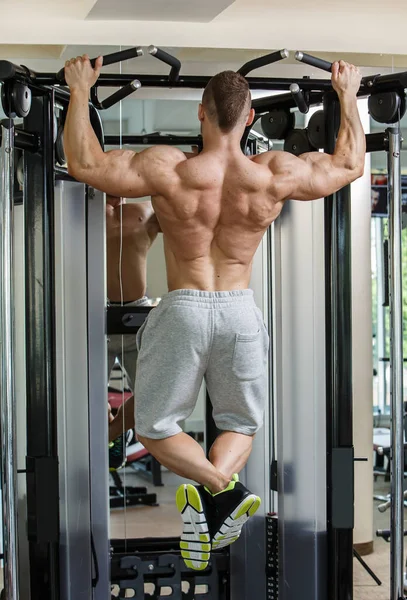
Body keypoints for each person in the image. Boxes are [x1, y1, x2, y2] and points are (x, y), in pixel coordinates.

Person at [63, 55, 365, 570]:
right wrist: (346, 96)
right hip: (240, 311)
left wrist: (78, 90)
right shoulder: (273, 173)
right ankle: (221, 493)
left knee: (154, 429)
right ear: (249, 118)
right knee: (242, 427)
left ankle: (218, 489)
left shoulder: (170, 169)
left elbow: (85, 164)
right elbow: (349, 165)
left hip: (182, 307)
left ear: (202, 113)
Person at [106, 194, 160, 449]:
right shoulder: (74, 208)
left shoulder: (146, 211)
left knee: (152, 395)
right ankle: (106, 436)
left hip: (135, 313)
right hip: (91, 312)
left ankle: (112, 434)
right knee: (83, 398)